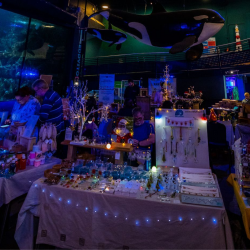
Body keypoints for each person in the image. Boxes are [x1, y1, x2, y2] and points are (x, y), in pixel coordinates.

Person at [32, 79, 65, 156]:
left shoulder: (48, 99)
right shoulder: (54, 94)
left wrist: (33, 123)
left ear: (41, 89)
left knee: (49, 153)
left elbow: (43, 117)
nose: (36, 93)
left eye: (36, 91)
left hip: (51, 131)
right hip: (58, 127)